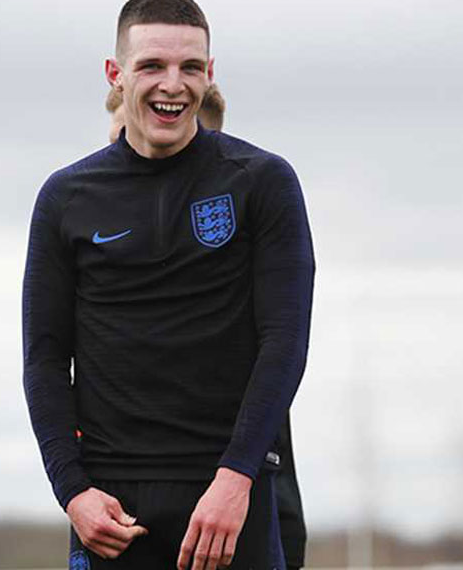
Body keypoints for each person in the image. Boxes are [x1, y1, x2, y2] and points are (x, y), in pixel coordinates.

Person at [23, 0, 314, 570]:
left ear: (210, 73)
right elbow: (45, 359)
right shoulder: (66, 196)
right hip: (112, 508)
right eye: (151, 65)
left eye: (190, 66)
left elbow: (284, 341)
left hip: (229, 498)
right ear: (116, 74)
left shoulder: (263, 181)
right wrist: (73, 492)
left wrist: (237, 479)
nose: (172, 84)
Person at [104, 82, 308, 570]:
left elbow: (281, 346)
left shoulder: (248, 217)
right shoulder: (99, 224)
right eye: (117, 136)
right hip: (130, 501)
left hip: (245, 492)